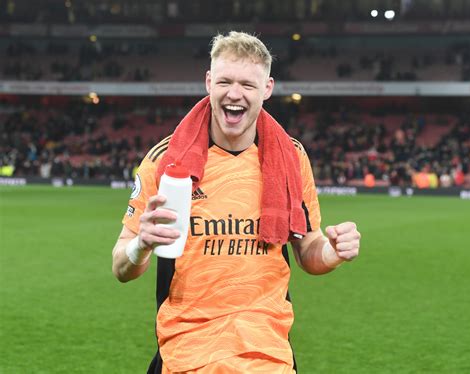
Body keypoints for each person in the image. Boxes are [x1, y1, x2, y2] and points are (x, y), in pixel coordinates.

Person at [112, 31, 361, 374]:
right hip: (187, 353)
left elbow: (309, 249)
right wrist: (142, 244)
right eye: (225, 81)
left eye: (247, 84)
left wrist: (331, 253)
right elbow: (120, 265)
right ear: (209, 82)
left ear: (267, 89)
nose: (234, 94)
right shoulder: (165, 161)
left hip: (266, 354)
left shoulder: (291, 157)